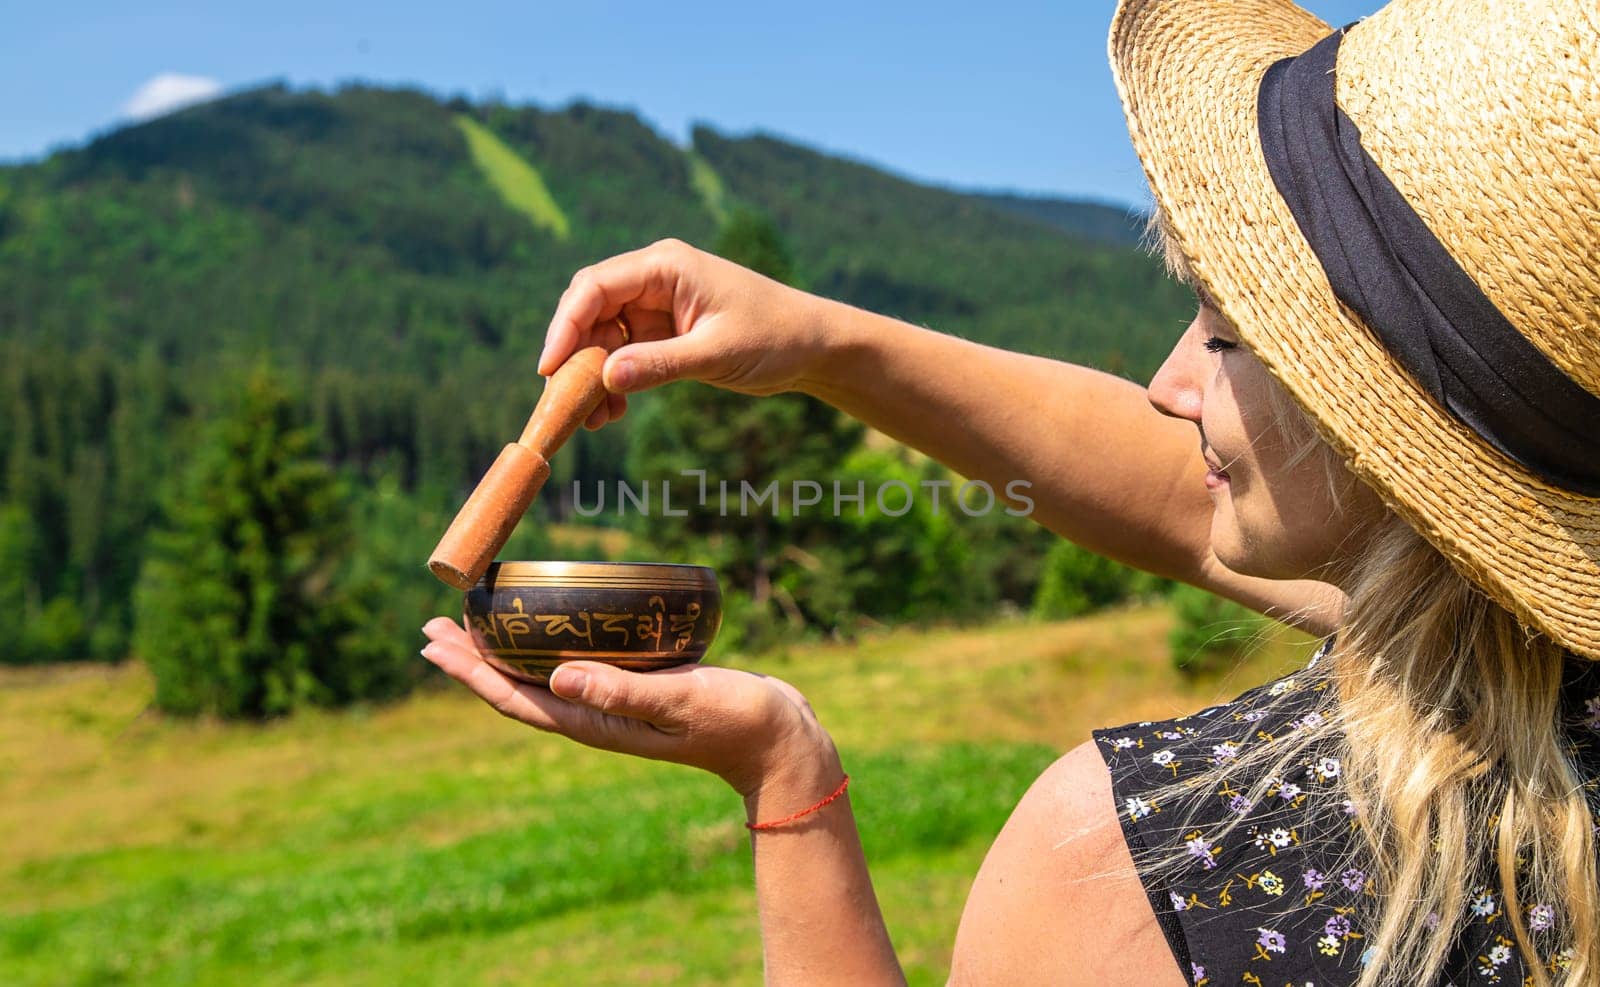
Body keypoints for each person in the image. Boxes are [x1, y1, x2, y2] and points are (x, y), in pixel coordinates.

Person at [421, 0, 1600, 981]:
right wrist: (827, 344)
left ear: (1383, 427)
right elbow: (1201, 506)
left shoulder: (1155, 859)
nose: (1167, 383)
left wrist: (786, 779)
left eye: (1230, 336)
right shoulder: (1534, 675)